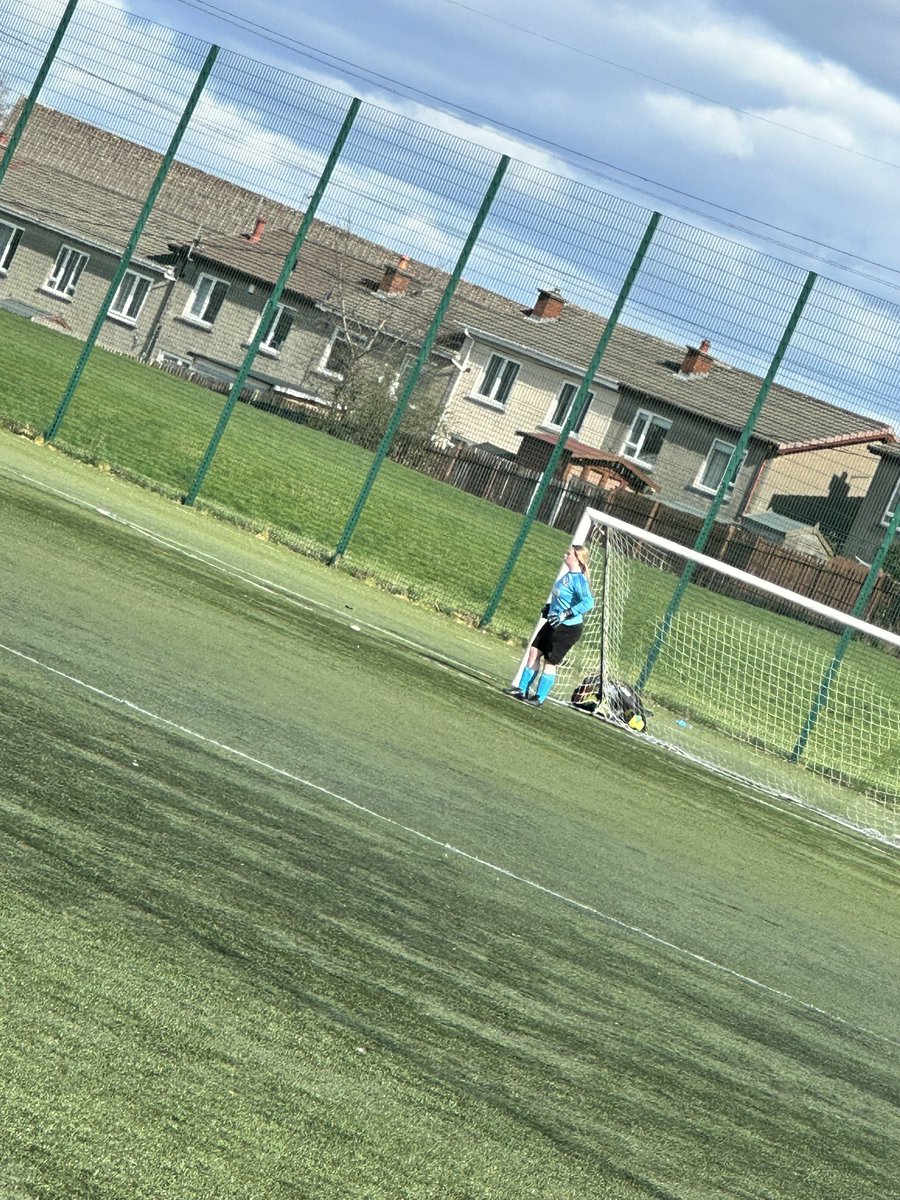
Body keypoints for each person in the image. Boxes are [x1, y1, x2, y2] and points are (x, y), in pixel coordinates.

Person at [507, 544, 595, 707]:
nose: (565, 555)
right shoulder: (567, 576)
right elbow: (562, 598)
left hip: (567, 628)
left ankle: (539, 698)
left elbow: (589, 603)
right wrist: (550, 607)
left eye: (568, 553)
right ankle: (521, 689)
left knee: (550, 661)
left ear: (577, 558)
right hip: (553, 622)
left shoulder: (579, 580)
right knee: (534, 651)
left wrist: (565, 613)